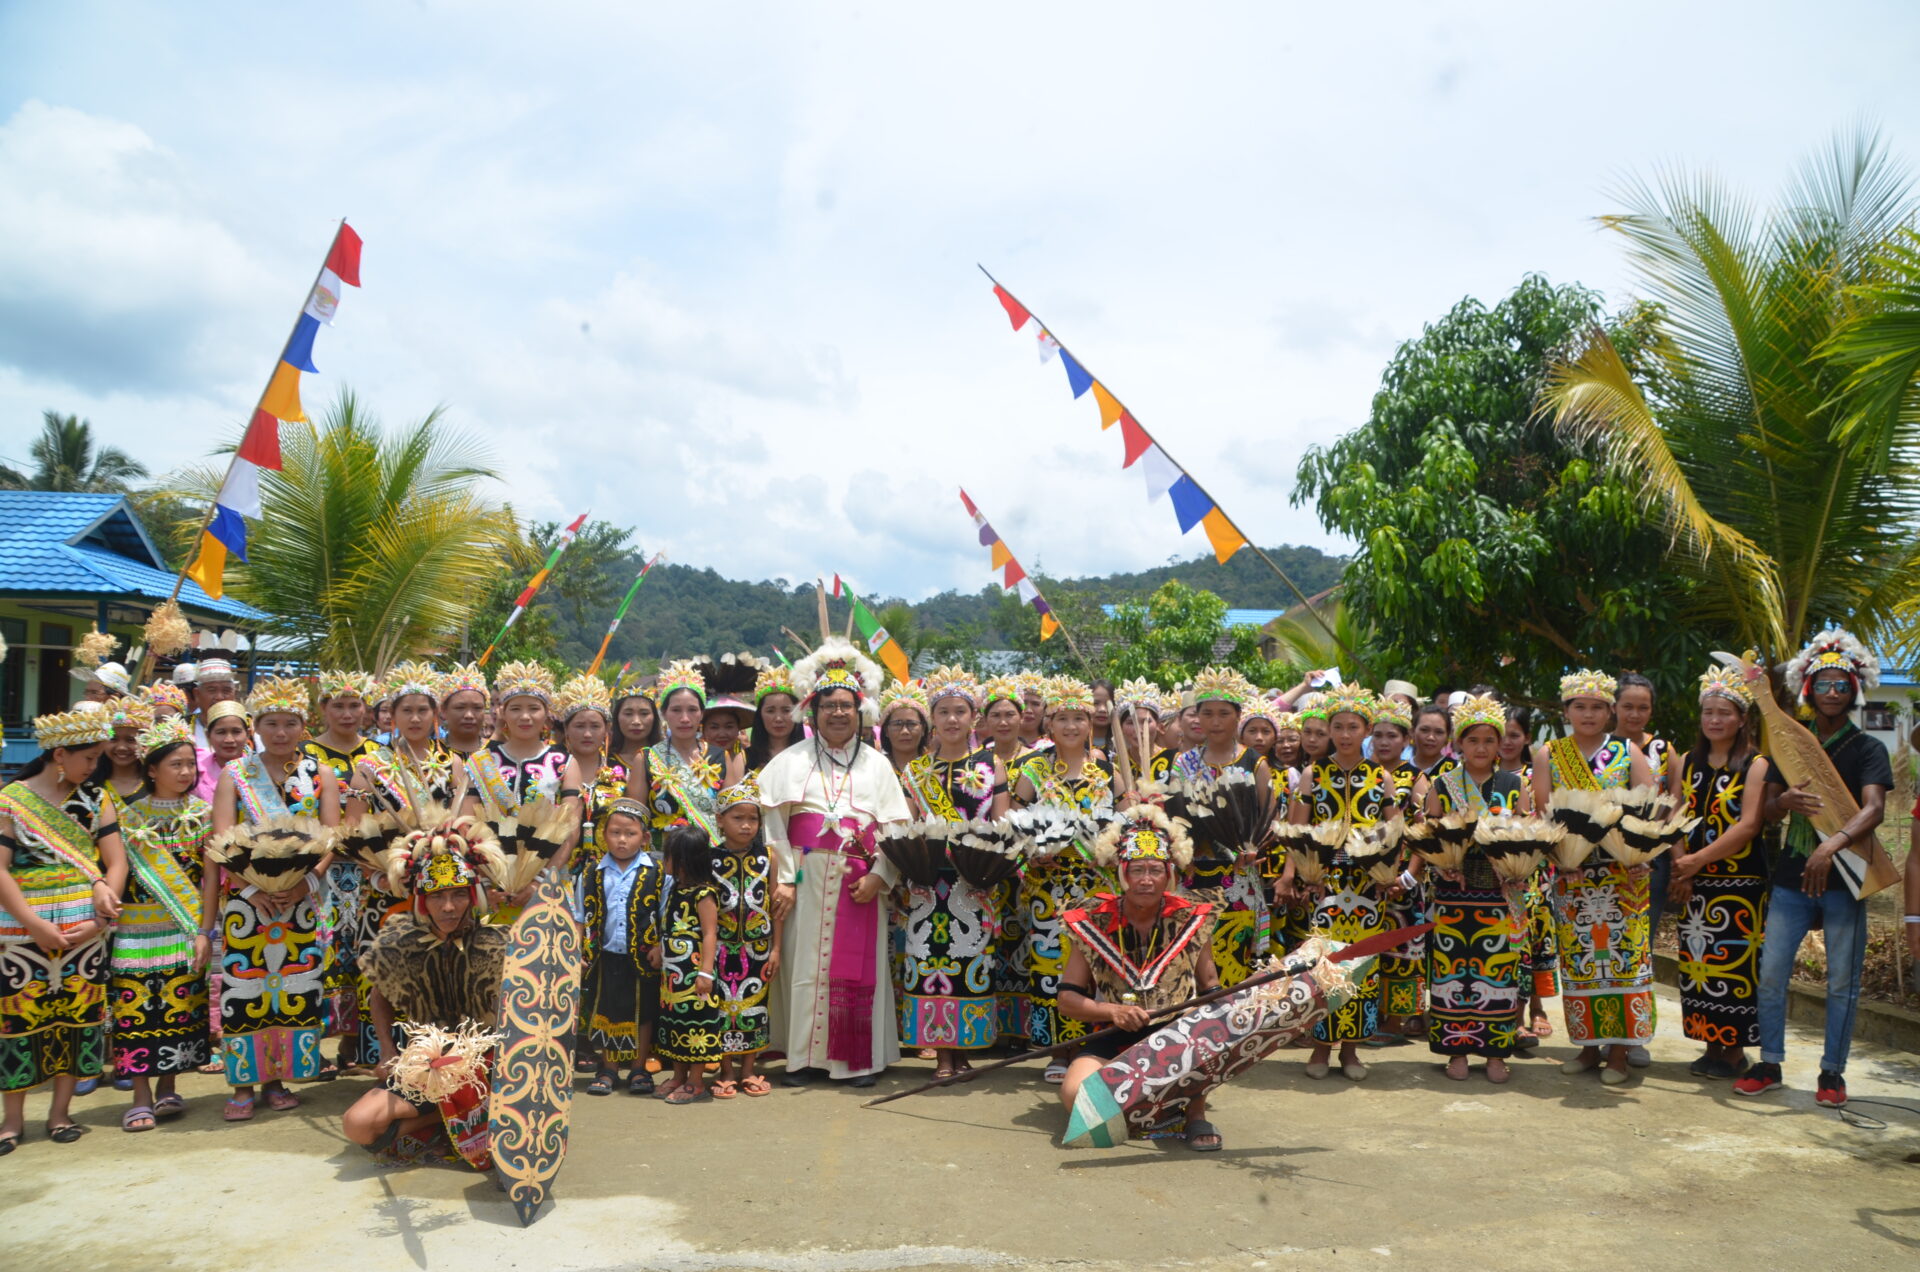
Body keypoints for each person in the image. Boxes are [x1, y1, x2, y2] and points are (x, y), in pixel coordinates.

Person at [1736, 629, 1892, 1108]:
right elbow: (1766, 815)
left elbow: (1874, 809)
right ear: (1807, 688)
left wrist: (1832, 846)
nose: (1831, 693)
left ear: (1854, 689)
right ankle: (1770, 1063)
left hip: (1846, 876)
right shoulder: (1789, 746)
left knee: (1843, 982)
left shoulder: (1869, 749)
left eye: (1841, 684)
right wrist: (1782, 799)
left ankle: (1832, 1073)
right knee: (1772, 974)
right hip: (1790, 876)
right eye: (1822, 684)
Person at [758, 640, 912, 1088]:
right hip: (805, 881)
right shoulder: (789, 761)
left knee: (855, 971)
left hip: (858, 881)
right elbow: (774, 824)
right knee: (804, 969)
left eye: (847, 705)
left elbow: (895, 829)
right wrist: (783, 880)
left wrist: (882, 877)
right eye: (830, 705)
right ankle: (804, 1059)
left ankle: (855, 1060)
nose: (839, 713)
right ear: (813, 709)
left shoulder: (878, 766)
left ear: (859, 711)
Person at [344, 816, 509, 1167]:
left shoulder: (498, 941)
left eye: (457, 895)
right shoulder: (399, 937)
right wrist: (388, 1051)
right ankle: (445, 1122)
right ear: (421, 899)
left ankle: (467, 1115)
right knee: (358, 1124)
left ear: (472, 895)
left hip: (483, 1067)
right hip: (424, 1063)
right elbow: (380, 996)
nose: (448, 907)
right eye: (437, 897)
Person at [0, 705, 127, 1152]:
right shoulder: (10, 800)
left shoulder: (96, 799)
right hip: (19, 931)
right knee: (17, 1021)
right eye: (89, 758)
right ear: (59, 754)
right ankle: (11, 1120)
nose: (94, 767)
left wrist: (100, 918)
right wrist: (34, 926)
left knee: (78, 1020)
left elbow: (116, 863)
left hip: (84, 930)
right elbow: (0, 871)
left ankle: (60, 1113)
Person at [1057, 804, 1220, 1149]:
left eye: (1155, 870)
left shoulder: (1193, 920)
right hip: (1114, 1035)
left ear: (1168, 875)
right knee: (1074, 1095)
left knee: (1203, 1034)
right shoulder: (1092, 922)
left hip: (1176, 1036)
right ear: (1123, 875)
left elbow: (1211, 989)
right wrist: (1112, 1012)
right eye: (1137, 870)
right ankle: (1154, 1111)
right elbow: (1067, 1000)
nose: (1146, 879)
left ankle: (1194, 1113)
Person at [209, 679, 339, 1105]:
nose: (281, 732)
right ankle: (242, 1084)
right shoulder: (235, 774)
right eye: (271, 723)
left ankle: (277, 1080)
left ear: (304, 725)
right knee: (246, 991)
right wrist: (253, 889)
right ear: (255, 727)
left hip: (301, 902)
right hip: (248, 905)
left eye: (290, 723)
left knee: (293, 990)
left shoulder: (320, 774)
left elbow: (332, 838)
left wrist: (306, 883)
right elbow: (224, 838)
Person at [1532, 669, 1655, 1085]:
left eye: (1597, 707)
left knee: (1620, 960)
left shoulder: (1628, 751)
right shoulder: (1548, 753)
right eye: (1579, 707)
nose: (1588, 714)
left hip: (1623, 874)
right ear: (1566, 711)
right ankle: (1587, 1047)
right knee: (1581, 961)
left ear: (1609, 711)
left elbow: (1651, 807)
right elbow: (1543, 812)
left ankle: (1619, 1053)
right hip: (1574, 873)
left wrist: (1641, 851)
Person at [1281, 683, 1396, 1081]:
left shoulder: (1379, 776)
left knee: (1362, 964)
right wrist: (1293, 873)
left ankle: (1351, 1051)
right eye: (1338, 726)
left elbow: (1392, 829)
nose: (1346, 734)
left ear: (1367, 730)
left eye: (1353, 726)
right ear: (1329, 729)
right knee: (1323, 964)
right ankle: (1319, 1048)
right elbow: (1298, 828)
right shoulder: (1315, 773)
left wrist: (1389, 873)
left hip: (1367, 886)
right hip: (1324, 884)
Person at [899, 667, 1010, 1076]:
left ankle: (964, 1048)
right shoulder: (916, 771)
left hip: (973, 882)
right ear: (933, 718)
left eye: (959, 711)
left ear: (973, 718)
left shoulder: (991, 764)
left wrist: (988, 862)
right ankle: (941, 1053)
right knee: (929, 963)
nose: (951, 719)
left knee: (970, 962)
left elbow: (1002, 824)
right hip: (928, 883)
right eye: (943, 711)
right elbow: (908, 828)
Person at [108, 716, 214, 1130]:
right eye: (175, 764)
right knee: (135, 1009)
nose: (186, 772)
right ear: (151, 769)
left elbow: (209, 881)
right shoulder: (127, 814)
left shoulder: (203, 814)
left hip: (184, 927)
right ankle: (140, 1094)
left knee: (178, 1007)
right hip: (135, 931)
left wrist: (204, 930)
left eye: (190, 764)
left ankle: (168, 1086)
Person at [1012, 677, 1117, 1080]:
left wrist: (1107, 850)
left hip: (1097, 885)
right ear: (1049, 724)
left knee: (1094, 965)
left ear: (1090, 723)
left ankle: (1093, 1047)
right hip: (1049, 887)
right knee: (1049, 966)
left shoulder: (1107, 768)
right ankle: (1056, 1050)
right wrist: (1031, 859)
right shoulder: (1034, 769)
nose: (1071, 727)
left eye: (1079, 718)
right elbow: (1013, 824)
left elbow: (1129, 823)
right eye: (1062, 719)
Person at [1669, 665, 1769, 1080]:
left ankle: (1735, 1051)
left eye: (1724, 712)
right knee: (1699, 962)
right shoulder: (1688, 761)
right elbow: (1673, 812)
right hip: (1694, 881)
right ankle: (1711, 1045)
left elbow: (1748, 826)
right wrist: (1681, 864)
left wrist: (1696, 860)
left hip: (1741, 883)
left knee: (1736, 965)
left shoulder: (1757, 763)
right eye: (1708, 712)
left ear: (1742, 718)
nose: (1714, 720)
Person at [1421, 695, 1527, 1083]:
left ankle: (1496, 1051)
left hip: (1501, 897)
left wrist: (1517, 868)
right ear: (1458, 745)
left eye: (1489, 740)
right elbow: (1427, 835)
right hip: (1453, 894)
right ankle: (1457, 1049)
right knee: (1452, 974)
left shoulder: (1515, 786)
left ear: (1500, 744)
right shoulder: (1442, 785)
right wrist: (1442, 865)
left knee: (1499, 975)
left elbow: (1527, 835)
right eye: (1472, 740)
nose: (1481, 748)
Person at [1170, 667, 1271, 989]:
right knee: (1193, 957)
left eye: (1224, 714)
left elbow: (1270, 819)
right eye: (1207, 713)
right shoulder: (1183, 763)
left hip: (1238, 877)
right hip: (1193, 873)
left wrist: (1254, 850)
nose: (1215, 721)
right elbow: (1171, 819)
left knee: (1234, 957)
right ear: (1196, 717)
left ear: (1237, 717)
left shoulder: (1255, 763)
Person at [579, 798, 663, 1097]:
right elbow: (581, 915)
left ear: (645, 837)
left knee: (642, 1012)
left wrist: (661, 946)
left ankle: (639, 1067)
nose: (622, 840)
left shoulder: (657, 871)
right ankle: (609, 1069)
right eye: (615, 833)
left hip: (642, 954)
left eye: (630, 834)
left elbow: (666, 911)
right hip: (605, 955)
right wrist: (581, 951)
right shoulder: (592, 872)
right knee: (607, 1011)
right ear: (604, 835)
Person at [708, 777, 780, 1097]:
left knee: (754, 1008)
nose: (747, 825)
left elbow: (776, 905)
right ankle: (725, 1070)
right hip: (722, 947)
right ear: (720, 821)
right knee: (722, 1008)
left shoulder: (769, 858)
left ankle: (749, 1070)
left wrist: (776, 949)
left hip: (758, 947)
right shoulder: (709, 859)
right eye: (738, 818)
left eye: (753, 819)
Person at [626, 660, 742, 856]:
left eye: (692, 710)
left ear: (702, 714)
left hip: (711, 858)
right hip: (663, 860)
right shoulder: (646, 758)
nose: (685, 718)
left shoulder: (720, 757)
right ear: (664, 713)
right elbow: (634, 819)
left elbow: (732, 814)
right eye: (676, 710)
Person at [655, 824, 723, 1104]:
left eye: (668, 856)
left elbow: (709, 934)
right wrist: (659, 950)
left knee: (696, 1026)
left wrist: (705, 972)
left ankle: (696, 1081)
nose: (664, 861)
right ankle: (678, 1076)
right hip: (672, 976)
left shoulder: (704, 894)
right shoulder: (675, 889)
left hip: (694, 974)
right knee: (676, 1025)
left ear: (683, 861)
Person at [466, 662, 570, 819]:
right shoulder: (482, 761)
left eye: (534, 709)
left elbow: (571, 821)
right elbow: (466, 818)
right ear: (503, 713)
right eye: (515, 709)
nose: (525, 717)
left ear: (546, 713)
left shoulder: (565, 763)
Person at [555, 673, 624, 876]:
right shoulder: (551, 772)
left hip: (611, 874)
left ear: (607, 730)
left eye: (595, 726)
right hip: (559, 872)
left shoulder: (621, 774)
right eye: (579, 726)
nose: (587, 734)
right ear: (566, 729)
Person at [742, 666, 799, 775]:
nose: (778, 718)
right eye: (770, 711)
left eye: (786, 710)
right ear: (760, 715)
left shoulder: (809, 755)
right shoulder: (744, 758)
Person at [439, 663, 491, 758]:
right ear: (443, 711)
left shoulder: (496, 751)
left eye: (477, 708)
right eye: (460, 708)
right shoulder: (433, 752)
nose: (469, 715)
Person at [187, 658, 240, 748]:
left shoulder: (248, 727)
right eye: (212, 690)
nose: (219, 697)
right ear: (197, 694)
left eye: (226, 690)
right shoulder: (183, 727)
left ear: (235, 694)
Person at [878, 683, 931, 773]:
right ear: (886, 730)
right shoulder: (876, 767)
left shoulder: (935, 767)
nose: (904, 731)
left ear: (923, 729)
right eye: (897, 724)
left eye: (911, 724)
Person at [609, 688, 661, 772]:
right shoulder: (603, 761)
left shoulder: (666, 759)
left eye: (644, 714)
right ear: (617, 717)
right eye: (628, 714)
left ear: (654, 717)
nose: (636, 721)